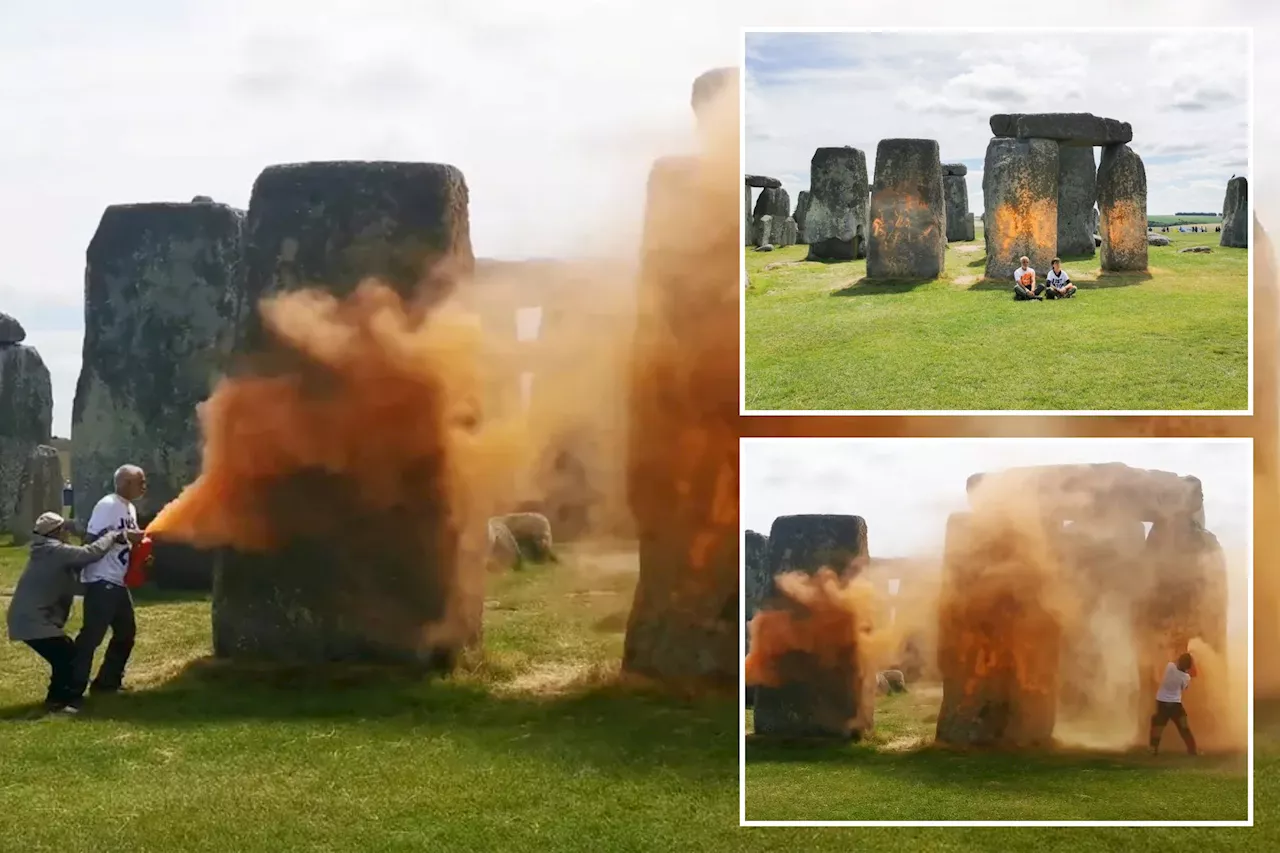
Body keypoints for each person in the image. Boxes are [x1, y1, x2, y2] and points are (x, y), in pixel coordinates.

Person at [4, 512, 133, 713]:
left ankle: (57, 699)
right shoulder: (54, 551)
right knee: (68, 656)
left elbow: (76, 586)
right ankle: (58, 701)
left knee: (64, 656)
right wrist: (113, 535)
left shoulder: (46, 551)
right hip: (33, 621)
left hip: (27, 618)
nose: (68, 532)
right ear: (56, 532)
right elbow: (90, 553)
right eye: (64, 528)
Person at [66, 464, 148, 708]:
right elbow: (91, 540)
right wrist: (123, 535)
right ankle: (71, 693)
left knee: (126, 633)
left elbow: (123, 542)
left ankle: (106, 683)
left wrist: (138, 553)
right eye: (140, 481)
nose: (144, 486)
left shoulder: (130, 508)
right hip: (101, 579)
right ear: (124, 483)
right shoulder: (108, 505)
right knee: (91, 637)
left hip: (117, 581)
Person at [1149, 652, 1199, 756]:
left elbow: (1175, 661)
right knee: (1184, 727)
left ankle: (1153, 748)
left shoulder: (1170, 667)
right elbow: (1184, 688)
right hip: (1175, 704)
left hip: (1162, 702)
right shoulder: (1186, 677)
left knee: (1158, 726)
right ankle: (1192, 750)